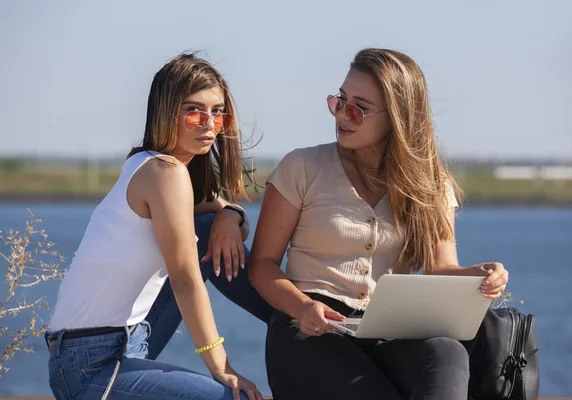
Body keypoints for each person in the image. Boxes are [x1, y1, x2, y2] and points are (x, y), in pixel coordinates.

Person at [249, 48, 510, 400]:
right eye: (340, 100)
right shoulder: (301, 167)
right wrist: (301, 307)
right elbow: (262, 265)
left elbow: (439, 269)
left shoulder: (430, 184)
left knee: (446, 353)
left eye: (359, 107)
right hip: (307, 331)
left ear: (397, 116)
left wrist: (479, 275)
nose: (343, 114)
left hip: (388, 331)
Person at [45, 53, 271, 400]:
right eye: (194, 111)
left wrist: (232, 216)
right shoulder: (164, 173)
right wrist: (221, 366)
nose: (209, 124)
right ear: (166, 112)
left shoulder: (150, 165)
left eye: (218, 113)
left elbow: (217, 210)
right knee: (232, 398)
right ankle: (291, 322)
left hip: (128, 340)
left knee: (210, 225)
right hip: (89, 365)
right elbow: (184, 277)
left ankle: (287, 320)